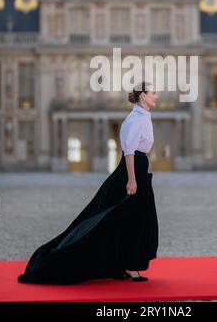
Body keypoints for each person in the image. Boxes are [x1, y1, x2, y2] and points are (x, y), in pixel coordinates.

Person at [17, 81, 159, 284]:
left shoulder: (144, 116)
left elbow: (142, 151)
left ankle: (126, 264)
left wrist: (142, 171)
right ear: (143, 95)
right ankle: (128, 267)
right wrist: (132, 180)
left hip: (139, 170)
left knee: (134, 219)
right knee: (121, 220)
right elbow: (129, 152)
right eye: (153, 93)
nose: (156, 96)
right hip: (131, 173)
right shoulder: (135, 119)